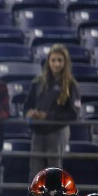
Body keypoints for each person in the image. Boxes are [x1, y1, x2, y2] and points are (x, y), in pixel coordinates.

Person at [24, 44, 80, 178]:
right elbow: (27, 106)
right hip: (38, 131)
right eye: (53, 60)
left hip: (57, 132)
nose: (56, 64)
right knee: (35, 172)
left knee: (54, 172)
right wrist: (29, 114)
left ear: (65, 62)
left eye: (60, 60)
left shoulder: (71, 85)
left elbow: (73, 114)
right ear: (48, 61)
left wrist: (47, 116)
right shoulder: (38, 82)